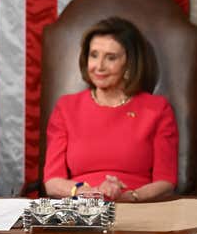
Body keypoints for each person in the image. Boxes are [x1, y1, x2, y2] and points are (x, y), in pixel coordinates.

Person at [43, 16, 178, 202]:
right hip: (82, 209)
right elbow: (52, 182)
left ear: (129, 63)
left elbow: (166, 181)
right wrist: (89, 193)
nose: (99, 66)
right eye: (94, 55)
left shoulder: (157, 109)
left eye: (111, 58)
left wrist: (130, 196)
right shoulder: (66, 108)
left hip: (139, 208)